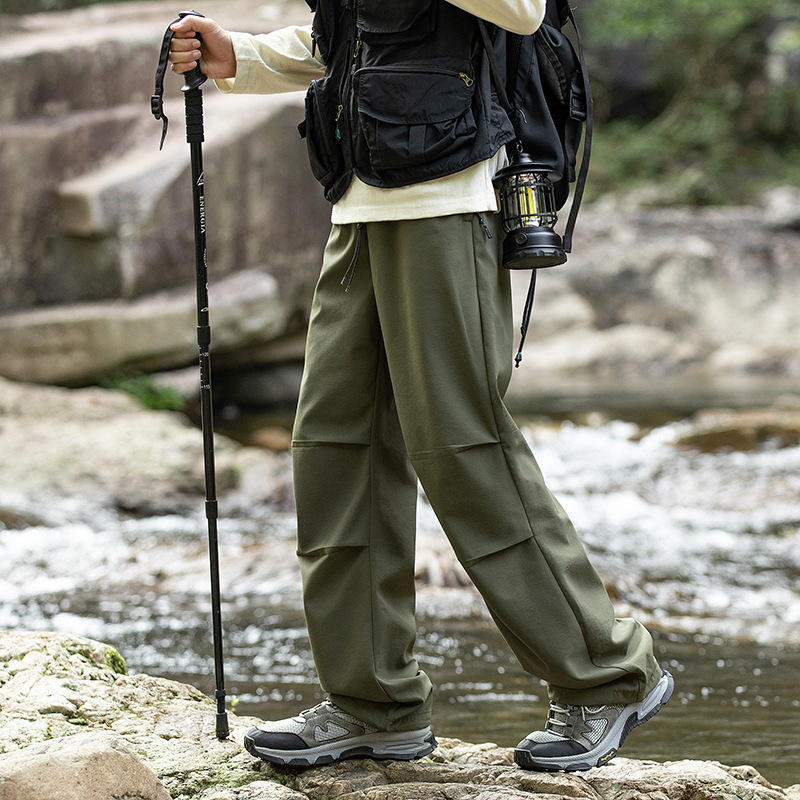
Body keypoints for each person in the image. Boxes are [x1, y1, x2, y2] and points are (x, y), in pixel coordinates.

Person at [168, 0, 673, 773]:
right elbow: (345, 39)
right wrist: (235, 54)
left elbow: (524, 9)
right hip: (359, 205)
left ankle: (608, 675)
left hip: (454, 201)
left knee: (461, 445)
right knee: (335, 450)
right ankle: (374, 702)